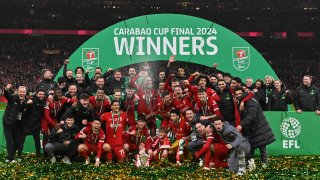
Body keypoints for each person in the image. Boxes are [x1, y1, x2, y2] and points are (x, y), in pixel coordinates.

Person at [234, 87, 276, 169]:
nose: (238, 95)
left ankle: (264, 163)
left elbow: (251, 116)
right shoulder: (242, 102)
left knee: (262, 146)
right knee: (251, 146)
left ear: (244, 93)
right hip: (251, 128)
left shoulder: (250, 102)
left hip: (259, 127)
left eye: (240, 93)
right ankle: (252, 163)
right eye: (237, 94)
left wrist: (241, 125)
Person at [3, 84, 28, 162]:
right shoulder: (13, 98)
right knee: (9, 141)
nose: (22, 93)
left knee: (17, 142)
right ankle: (11, 158)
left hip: (18, 124)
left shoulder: (27, 101)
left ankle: (9, 157)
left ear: (25, 93)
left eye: (23, 92)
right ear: (17, 92)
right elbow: (6, 95)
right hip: (8, 123)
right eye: (20, 92)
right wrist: (6, 89)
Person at [19, 89, 46, 160]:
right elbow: (21, 108)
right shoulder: (31, 100)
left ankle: (39, 155)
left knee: (37, 141)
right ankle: (19, 155)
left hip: (36, 125)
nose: (41, 96)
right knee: (22, 141)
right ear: (36, 94)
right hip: (27, 124)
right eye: (40, 94)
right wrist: (26, 103)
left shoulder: (44, 102)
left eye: (43, 94)